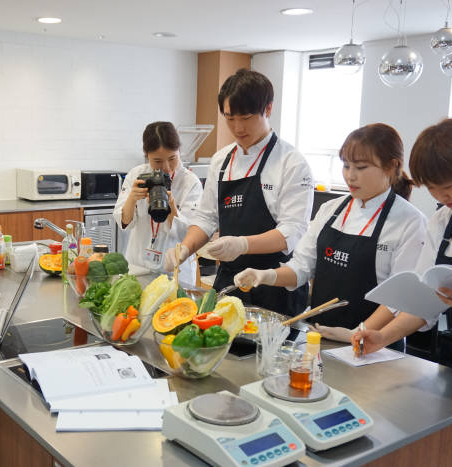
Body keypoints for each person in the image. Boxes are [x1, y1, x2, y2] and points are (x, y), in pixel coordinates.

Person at [234, 124, 427, 344]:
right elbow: (301, 267)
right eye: (346, 166)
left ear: (391, 167)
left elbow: (398, 298)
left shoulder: (409, 222)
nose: (350, 176)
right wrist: (265, 276)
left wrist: (360, 331)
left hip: (374, 345)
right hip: (320, 336)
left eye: (361, 168)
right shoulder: (330, 210)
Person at [353, 119, 452, 382]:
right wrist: (383, 337)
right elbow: (425, 301)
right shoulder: (443, 221)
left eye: (449, 186)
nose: (441, 197)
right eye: (432, 188)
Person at [164, 69, 313, 315]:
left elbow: (292, 232)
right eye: (229, 118)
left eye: (245, 117)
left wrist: (242, 244)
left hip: (273, 286)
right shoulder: (221, 160)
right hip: (230, 284)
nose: (237, 127)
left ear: (268, 109)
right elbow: (206, 217)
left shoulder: (291, 162)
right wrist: (185, 249)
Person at [114, 121, 203, 285]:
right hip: (138, 267)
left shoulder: (190, 183)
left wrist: (171, 207)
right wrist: (132, 198)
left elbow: (190, 234)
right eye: (157, 161)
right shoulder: (137, 175)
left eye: (172, 158)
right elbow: (124, 222)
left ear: (179, 152)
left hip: (175, 272)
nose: (167, 168)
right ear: (147, 156)